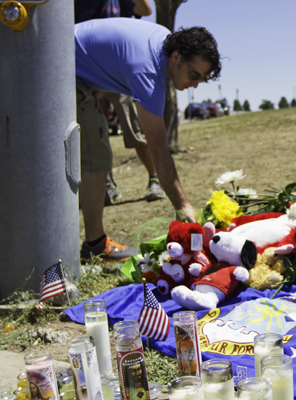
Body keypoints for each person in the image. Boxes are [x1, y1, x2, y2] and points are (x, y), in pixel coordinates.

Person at [74, 19, 221, 261]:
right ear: (176, 56)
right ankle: (95, 244)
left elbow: (115, 57)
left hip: (68, 64)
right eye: (194, 74)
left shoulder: (162, 40)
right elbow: (158, 149)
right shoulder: (149, 70)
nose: (195, 84)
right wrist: (182, 204)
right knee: (96, 155)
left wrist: (97, 83)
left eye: (201, 79)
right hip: (59, 67)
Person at [75, 0, 163, 205]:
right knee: (96, 132)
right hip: (88, 71)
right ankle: (108, 184)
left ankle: (154, 178)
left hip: (117, 72)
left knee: (135, 129)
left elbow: (145, 10)